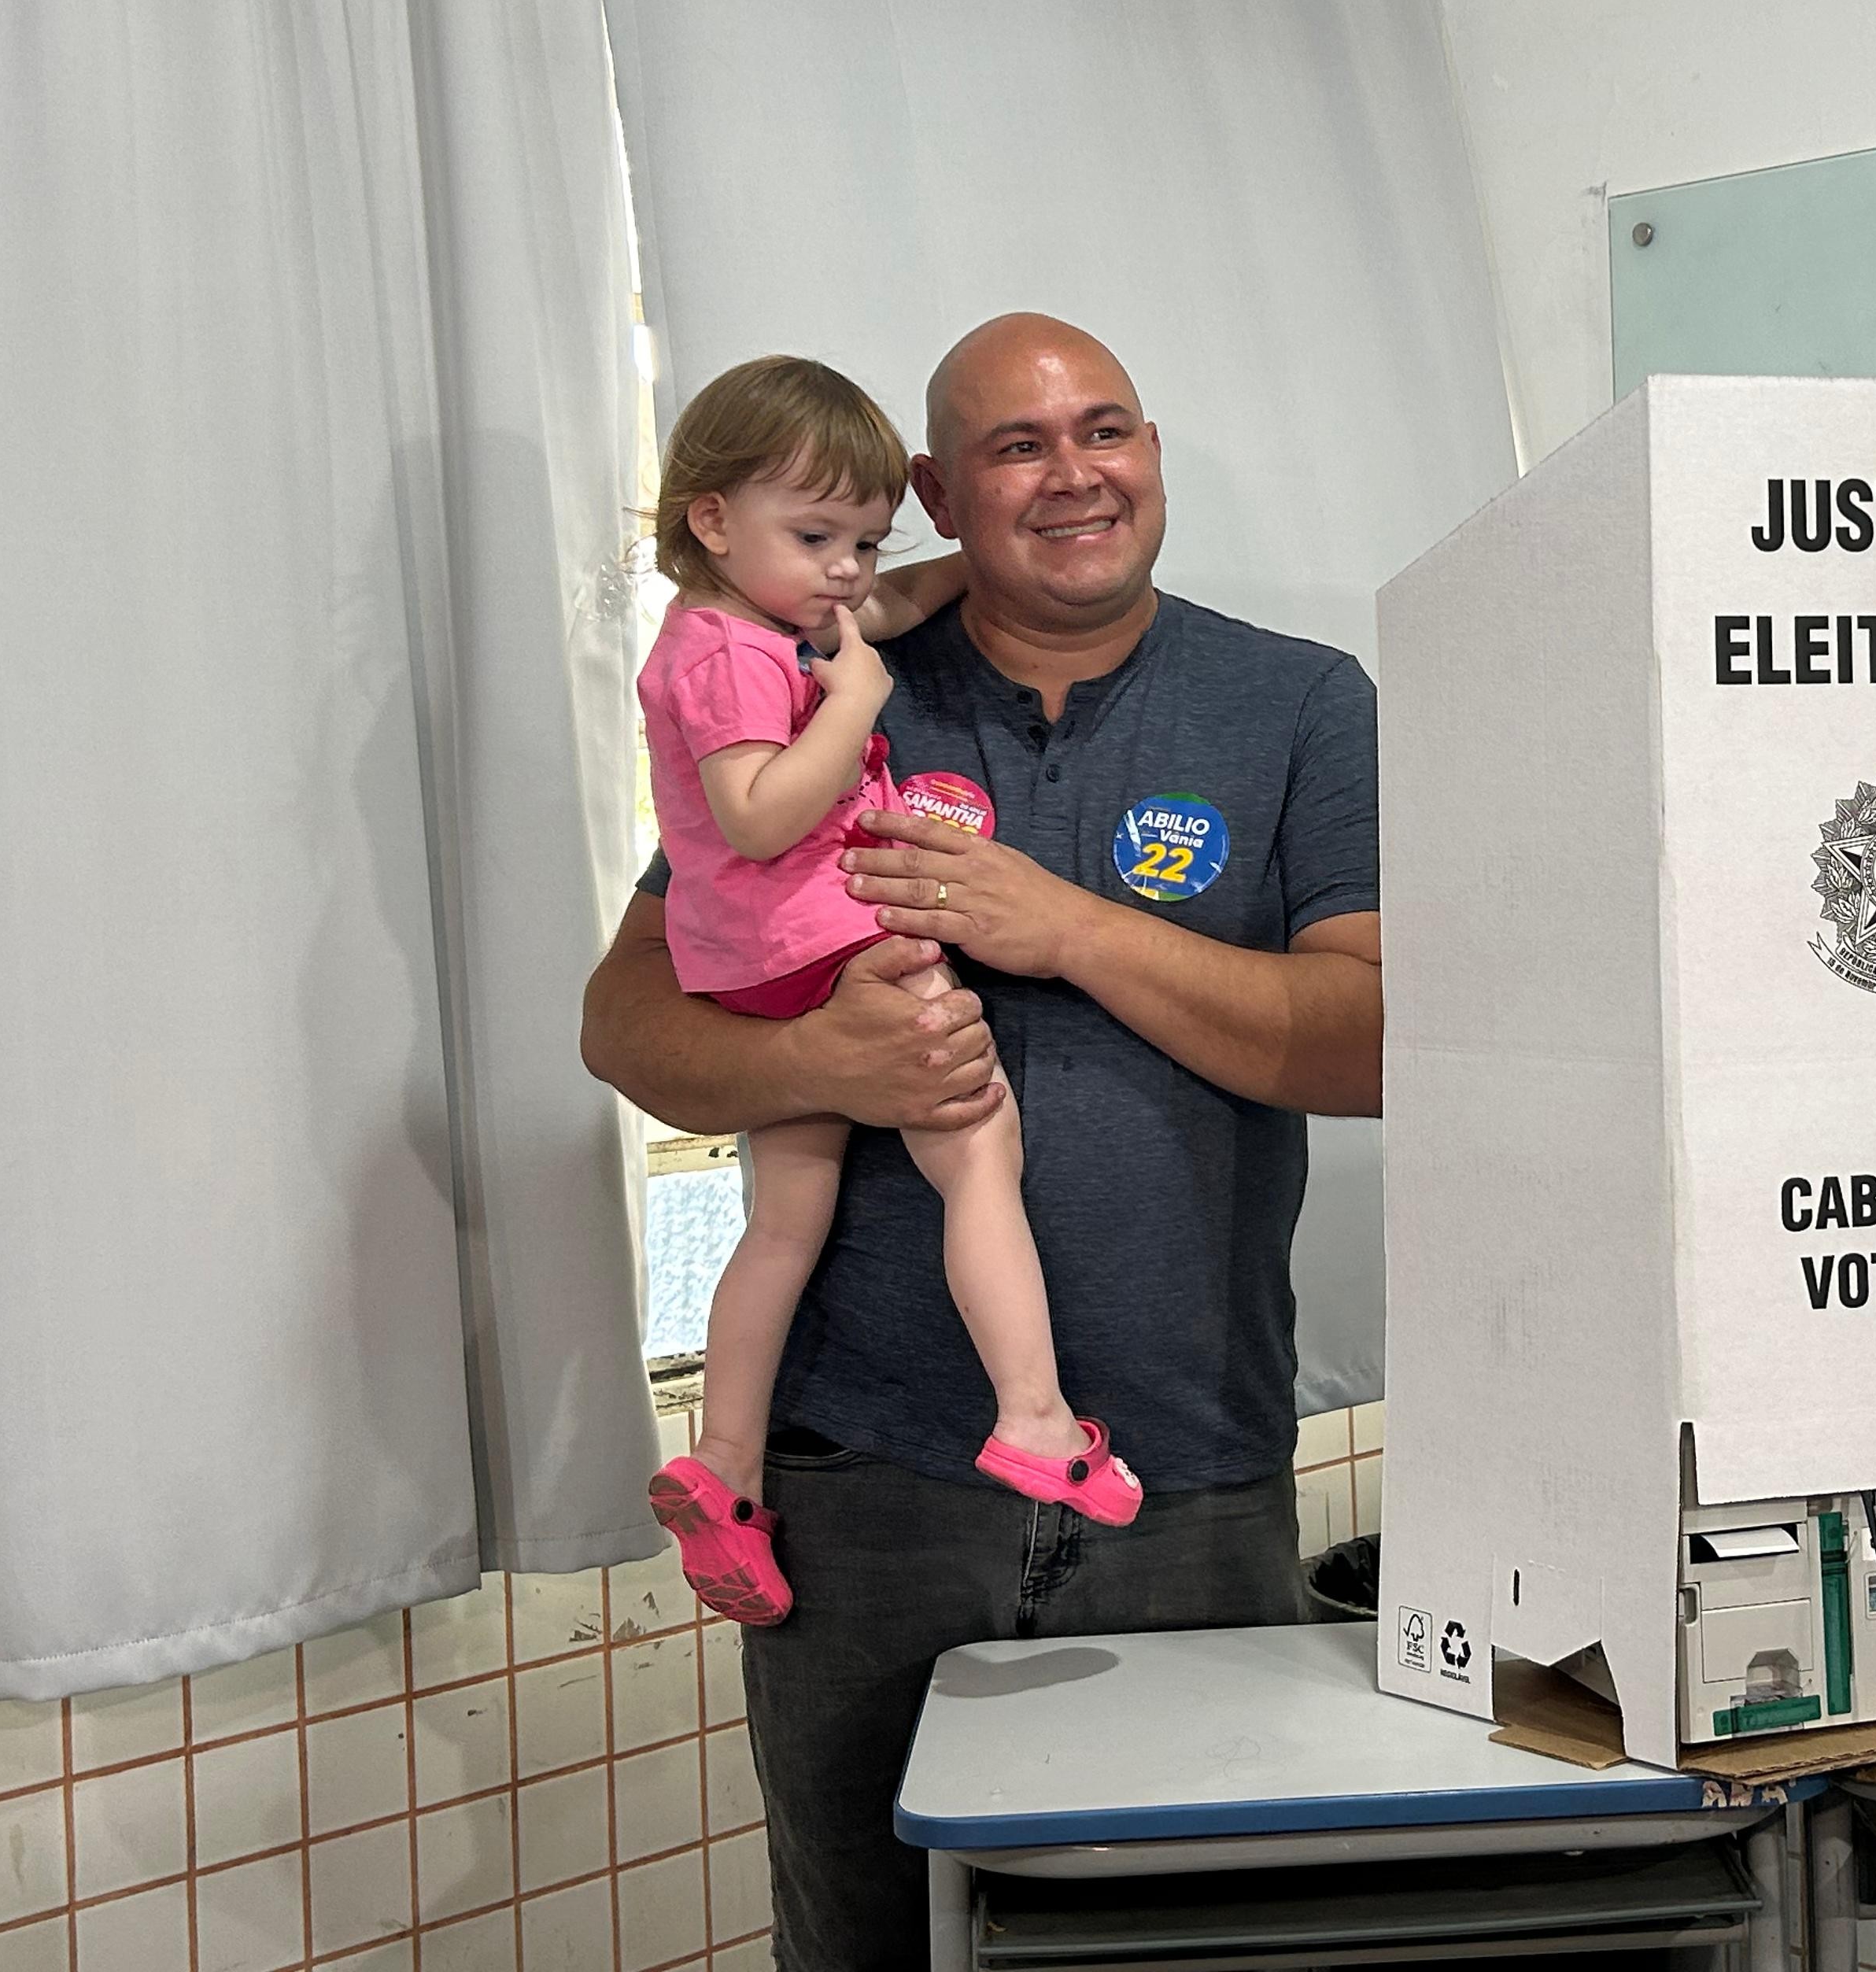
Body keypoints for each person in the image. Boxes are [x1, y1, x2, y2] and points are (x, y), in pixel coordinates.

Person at [578, 312, 1383, 1968]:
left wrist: (1068, 929)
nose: (1077, 472)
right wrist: (819, 1056)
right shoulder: (815, 679)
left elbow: (1372, 1044)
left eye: (1110, 428)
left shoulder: (1294, 703)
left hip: (1185, 1475)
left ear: (1155, 453)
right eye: (1020, 447)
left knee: (1208, 1945)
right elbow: (630, 1025)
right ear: (943, 492)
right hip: (862, 1492)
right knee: (873, 1940)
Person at [636, 356, 1141, 1630]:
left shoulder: (764, 616)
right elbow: (755, 816)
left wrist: (977, 553)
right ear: (710, 518)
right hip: (830, 935)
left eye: (864, 540)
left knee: (784, 1223)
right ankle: (1033, 1414)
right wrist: (853, 698)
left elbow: (894, 601)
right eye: (816, 538)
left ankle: (726, 1470)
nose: (848, 573)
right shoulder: (733, 657)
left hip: (755, 972)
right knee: (977, 1150)